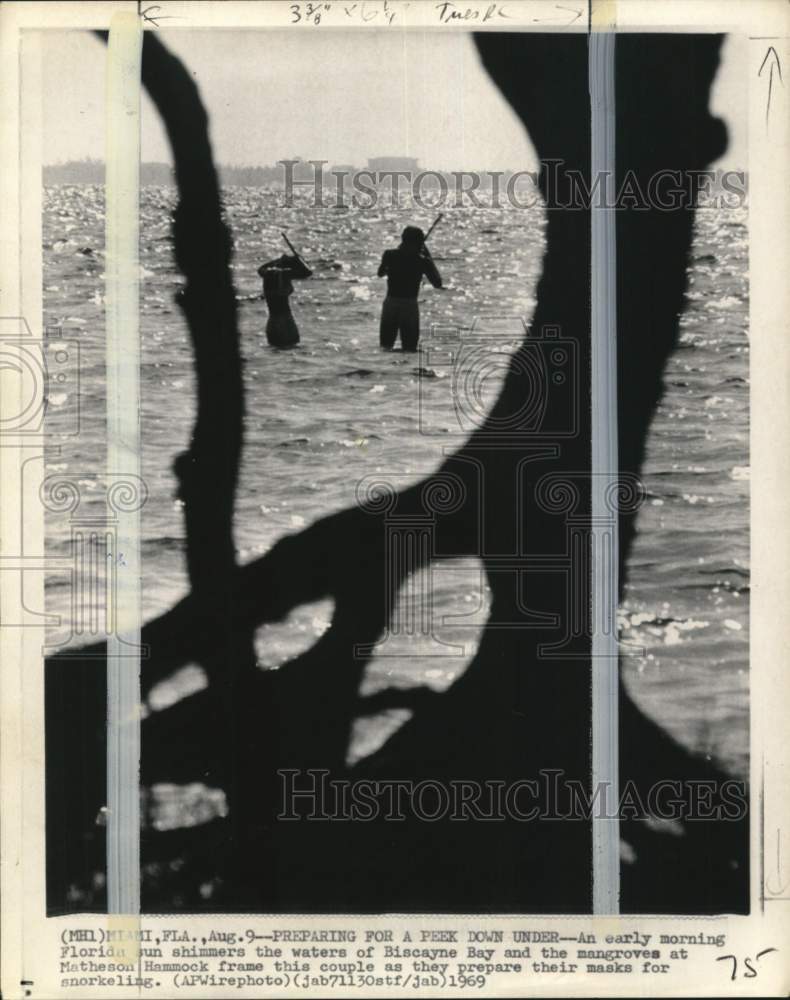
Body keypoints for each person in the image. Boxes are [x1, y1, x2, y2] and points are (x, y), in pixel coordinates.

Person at [377, 226, 442, 352]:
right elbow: (437, 283)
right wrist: (428, 257)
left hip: (391, 303)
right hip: (409, 305)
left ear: (403, 239)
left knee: (385, 347)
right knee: (410, 349)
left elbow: (380, 273)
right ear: (419, 243)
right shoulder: (422, 261)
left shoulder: (389, 255)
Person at [257, 252, 312, 348]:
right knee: (291, 346)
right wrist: (298, 260)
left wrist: (279, 260)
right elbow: (307, 272)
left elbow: (260, 269)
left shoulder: (267, 274)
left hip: (272, 323)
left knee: (274, 348)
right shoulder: (284, 274)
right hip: (285, 323)